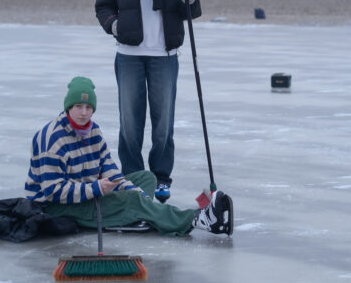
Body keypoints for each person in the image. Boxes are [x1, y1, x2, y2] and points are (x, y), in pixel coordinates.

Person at [24, 77, 233, 236]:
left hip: (87, 192)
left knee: (147, 179)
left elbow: (109, 167)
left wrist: (134, 190)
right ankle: (196, 220)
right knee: (131, 200)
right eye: (78, 106)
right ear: (69, 107)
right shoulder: (52, 139)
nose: (84, 112)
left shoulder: (93, 131)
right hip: (57, 207)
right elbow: (53, 191)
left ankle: (137, 213)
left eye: (88, 107)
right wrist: (96, 189)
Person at [94, 0, 201, 202]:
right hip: (128, 55)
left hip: (164, 56)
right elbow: (102, 4)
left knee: (163, 122)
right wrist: (114, 25)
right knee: (130, 122)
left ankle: (161, 178)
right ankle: (134, 178)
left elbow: (191, 11)